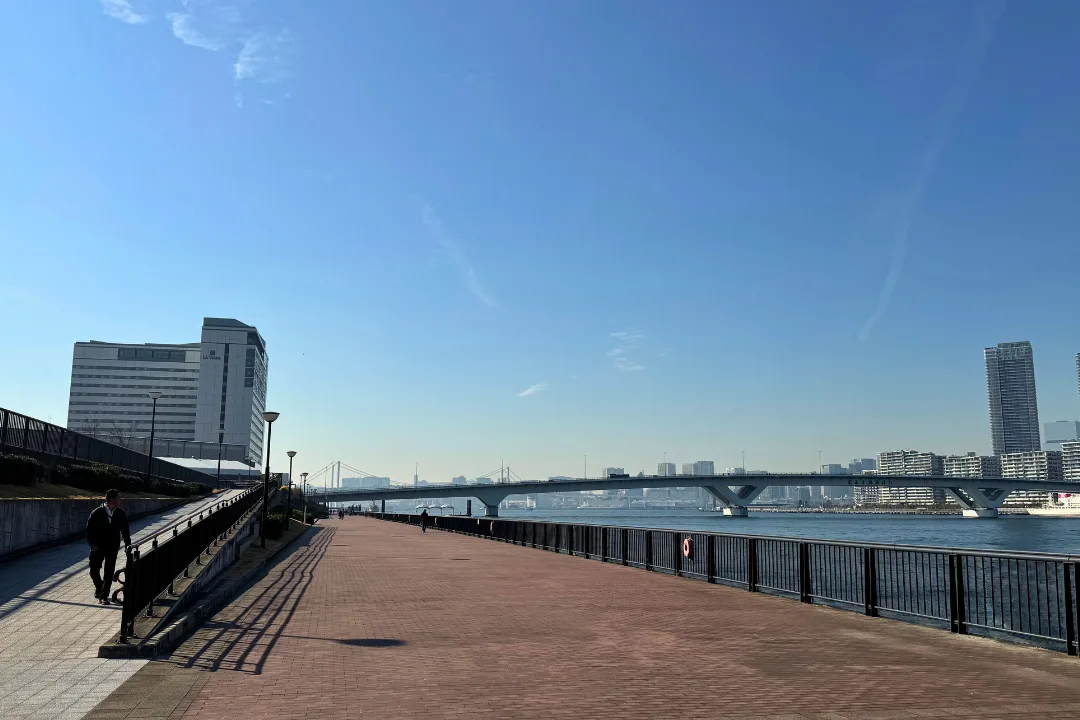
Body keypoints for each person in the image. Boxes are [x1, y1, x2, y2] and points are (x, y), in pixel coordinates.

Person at [86, 489, 131, 605]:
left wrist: (128, 544)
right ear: (112, 500)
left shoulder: (120, 513)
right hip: (98, 546)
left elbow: (125, 530)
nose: (120, 500)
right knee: (93, 570)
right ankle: (100, 588)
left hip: (113, 546)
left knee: (109, 572)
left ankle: (104, 596)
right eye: (118, 498)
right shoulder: (97, 513)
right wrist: (92, 544)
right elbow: (89, 530)